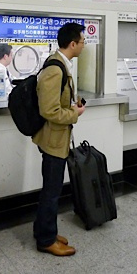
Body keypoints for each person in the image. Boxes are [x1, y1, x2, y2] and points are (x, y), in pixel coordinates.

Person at [32, 22, 85, 257]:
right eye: (82, 41)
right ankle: (46, 240)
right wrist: (75, 113)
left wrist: (73, 105)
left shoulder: (62, 64)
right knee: (52, 192)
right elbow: (49, 110)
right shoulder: (56, 68)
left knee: (51, 189)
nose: (84, 45)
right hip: (53, 140)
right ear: (72, 44)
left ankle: (46, 232)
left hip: (57, 138)